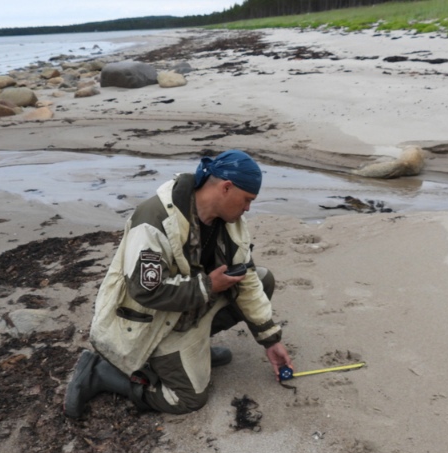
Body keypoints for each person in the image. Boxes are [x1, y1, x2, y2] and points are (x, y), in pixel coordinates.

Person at [64, 149, 293, 418]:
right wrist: (207, 286)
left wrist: (270, 341)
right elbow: (145, 290)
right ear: (226, 188)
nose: (248, 208)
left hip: (187, 309)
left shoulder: (231, 223)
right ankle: (99, 373)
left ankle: (196, 347)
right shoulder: (154, 220)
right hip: (148, 323)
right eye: (247, 199)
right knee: (187, 399)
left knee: (261, 280)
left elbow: (248, 281)